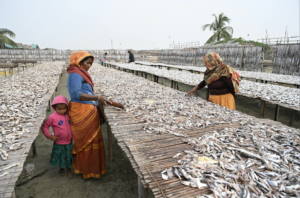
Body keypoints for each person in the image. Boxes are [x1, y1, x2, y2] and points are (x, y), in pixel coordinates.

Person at [67, 51, 111, 179]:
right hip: (82, 110)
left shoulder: (79, 73)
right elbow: (75, 94)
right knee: (87, 141)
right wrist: (97, 97)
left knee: (92, 140)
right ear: (79, 62)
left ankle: (91, 168)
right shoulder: (75, 74)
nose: (89, 66)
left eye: (91, 63)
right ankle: (86, 169)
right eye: (87, 63)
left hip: (87, 109)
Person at [42, 95, 73, 179]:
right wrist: (50, 136)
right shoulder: (52, 117)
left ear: (67, 106)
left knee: (68, 156)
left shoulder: (70, 114)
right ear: (55, 108)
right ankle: (62, 168)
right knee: (60, 156)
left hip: (69, 141)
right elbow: (45, 127)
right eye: (59, 109)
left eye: (64, 108)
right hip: (59, 142)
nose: (62, 111)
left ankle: (69, 170)